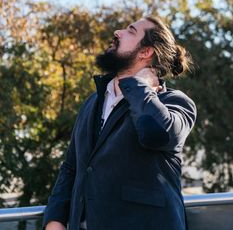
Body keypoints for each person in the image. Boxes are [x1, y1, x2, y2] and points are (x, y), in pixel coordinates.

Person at [43, 16, 197, 230]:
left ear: (146, 52)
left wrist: (138, 83)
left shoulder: (175, 102)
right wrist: (55, 219)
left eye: (130, 31)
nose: (117, 31)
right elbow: (72, 166)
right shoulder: (92, 102)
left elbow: (157, 133)